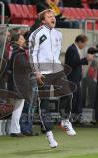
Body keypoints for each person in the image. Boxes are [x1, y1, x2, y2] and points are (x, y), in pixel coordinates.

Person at [29, 9, 76, 148]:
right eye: (49, 16)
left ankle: (65, 120)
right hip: (42, 72)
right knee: (45, 103)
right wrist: (36, 72)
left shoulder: (58, 34)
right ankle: (49, 134)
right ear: (43, 20)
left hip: (56, 69)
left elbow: (56, 52)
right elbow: (32, 54)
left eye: (53, 16)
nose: (52, 18)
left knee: (67, 94)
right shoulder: (36, 34)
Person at [8, 32, 35, 137]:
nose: (24, 40)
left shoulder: (15, 52)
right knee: (18, 108)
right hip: (19, 84)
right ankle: (15, 130)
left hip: (18, 83)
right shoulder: (18, 53)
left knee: (18, 108)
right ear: (17, 41)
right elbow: (22, 65)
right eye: (22, 38)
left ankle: (15, 129)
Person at [65, 35, 94, 124]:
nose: (85, 45)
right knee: (73, 100)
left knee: (77, 99)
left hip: (75, 79)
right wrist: (86, 59)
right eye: (84, 43)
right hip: (72, 79)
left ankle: (76, 118)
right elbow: (73, 63)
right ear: (80, 42)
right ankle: (70, 118)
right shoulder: (72, 49)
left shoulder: (74, 49)